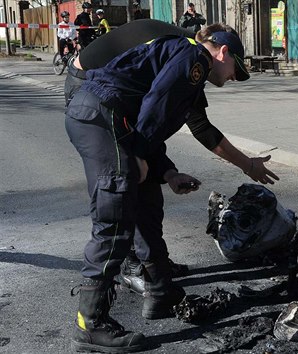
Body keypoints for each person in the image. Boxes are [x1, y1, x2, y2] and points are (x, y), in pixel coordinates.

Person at [65, 23, 277, 352]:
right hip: (101, 114)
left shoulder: (188, 68)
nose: (235, 77)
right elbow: (155, 104)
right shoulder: (194, 58)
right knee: (115, 213)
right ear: (222, 52)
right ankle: (90, 323)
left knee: (148, 199)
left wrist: (167, 173)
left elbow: (164, 119)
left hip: (115, 118)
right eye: (237, 68)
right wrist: (136, 154)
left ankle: (161, 292)